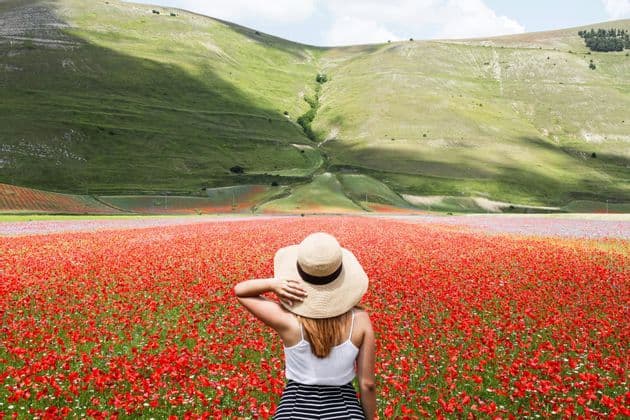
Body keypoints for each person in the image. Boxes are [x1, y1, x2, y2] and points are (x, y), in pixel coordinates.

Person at [234, 232, 376, 419]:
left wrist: (272, 284)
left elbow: (241, 292)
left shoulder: (287, 320)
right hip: (345, 409)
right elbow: (367, 384)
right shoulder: (360, 320)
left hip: (293, 410)